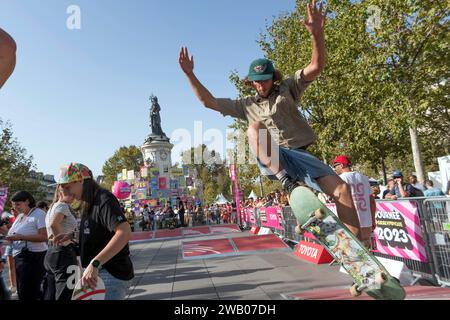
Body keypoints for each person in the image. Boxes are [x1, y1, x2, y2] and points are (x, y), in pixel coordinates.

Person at [179, 1, 361, 239]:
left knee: (342, 189)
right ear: (251, 82)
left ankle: (359, 249)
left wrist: (317, 34)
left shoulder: (288, 88)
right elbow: (208, 102)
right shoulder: (244, 105)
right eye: (257, 81)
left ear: (273, 79)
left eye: (265, 80)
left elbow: (316, 66)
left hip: (301, 155)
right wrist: (190, 74)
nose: (261, 84)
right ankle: (287, 182)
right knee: (254, 127)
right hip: (274, 158)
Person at [53, 163, 134, 300]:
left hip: (110, 272)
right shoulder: (88, 202)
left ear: (81, 181)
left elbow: (124, 232)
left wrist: (96, 263)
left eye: (67, 187)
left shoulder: (103, 199)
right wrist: (72, 235)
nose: (66, 193)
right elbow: (97, 230)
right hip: (99, 272)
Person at [6, 191, 48, 300]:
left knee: (28, 292)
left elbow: (44, 236)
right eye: (13, 205)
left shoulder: (39, 214)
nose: (15, 208)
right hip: (21, 258)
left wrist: (21, 237)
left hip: (32, 258)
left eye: (18, 204)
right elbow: (13, 233)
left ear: (27, 201)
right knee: (23, 291)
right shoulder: (21, 215)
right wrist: (8, 237)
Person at [332, 155, 376, 248]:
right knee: (367, 249)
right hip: (366, 220)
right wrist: (373, 219)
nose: (335, 169)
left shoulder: (340, 179)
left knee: (352, 252)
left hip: (351, 221)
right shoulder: (364, 178)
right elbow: (372, 201)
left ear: (341, 165)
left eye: (335, 166)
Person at [43, 186, 78, 300]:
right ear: (62, 193)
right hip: (63, 252)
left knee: (51, 292)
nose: (74, 197)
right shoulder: (63, 206)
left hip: (51, 252)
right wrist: (62, 241)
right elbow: (54, 224)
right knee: (66, 292)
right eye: (72, 194)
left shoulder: (52, 207)